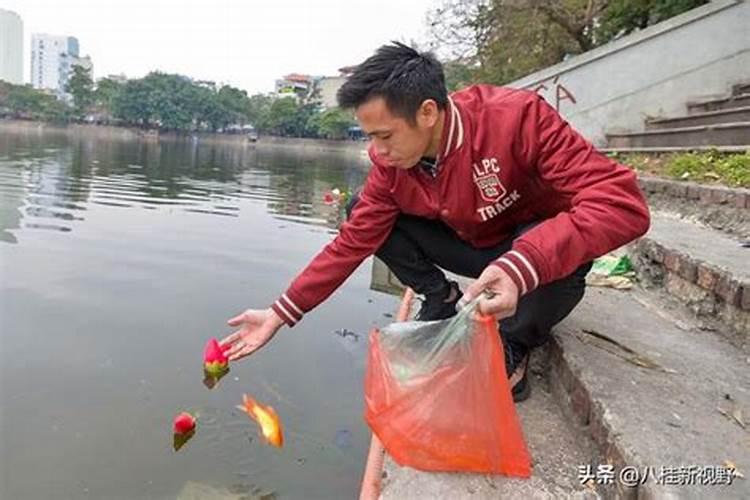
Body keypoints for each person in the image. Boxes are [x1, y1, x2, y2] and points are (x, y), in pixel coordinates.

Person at [220, 42, 650, 401]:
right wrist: (280, 313)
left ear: (428, 112)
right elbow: (350, 245)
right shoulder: (392, 167)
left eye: (385, 136)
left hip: (534, 257)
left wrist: (524, 265)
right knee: (361, 216)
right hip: (474, 243)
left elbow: (622, 204)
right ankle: (439, 297)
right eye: (370, 137)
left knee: (547, 247)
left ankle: (514, 343)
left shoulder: (518, 119)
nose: (377, 151)